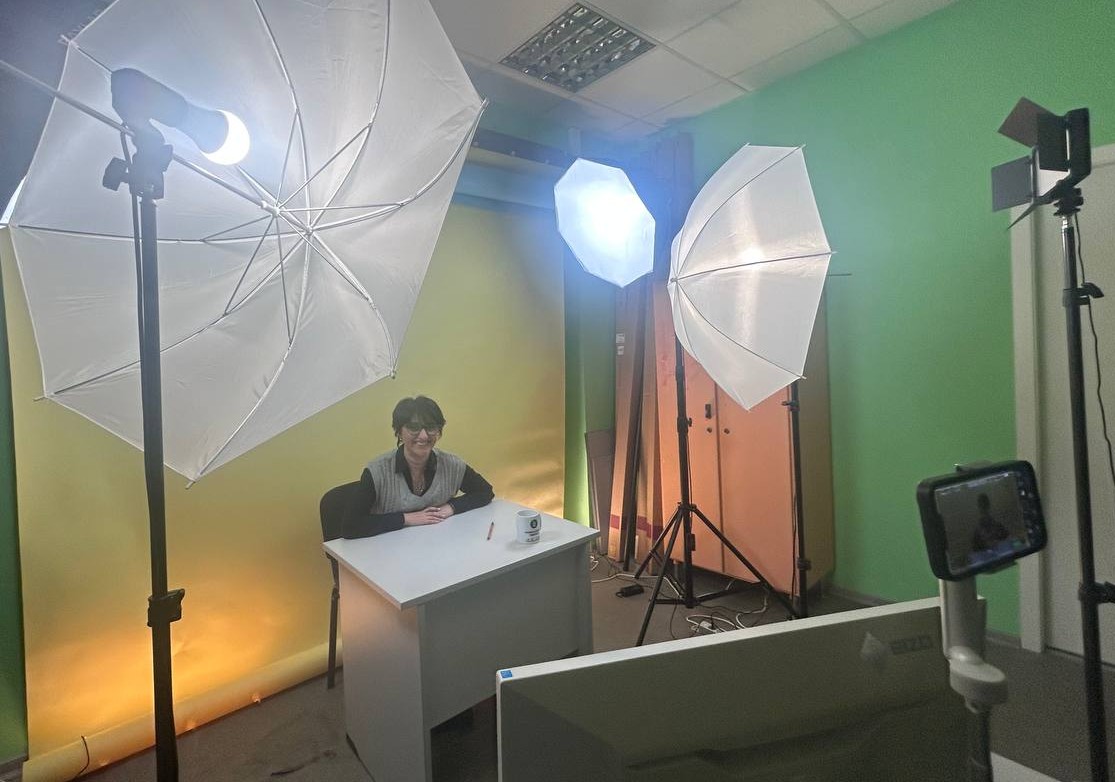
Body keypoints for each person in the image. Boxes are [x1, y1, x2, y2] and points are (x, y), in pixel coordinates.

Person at [341, 395, 494, 538]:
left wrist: (450, 508)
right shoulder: (378, 471)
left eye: (431, 427)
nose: (424, 436)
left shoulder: (452, 465)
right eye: (413, 427)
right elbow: (350, 526)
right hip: (388, 549)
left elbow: (485, 492)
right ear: (399, 432)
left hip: (438, 542)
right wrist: (406, 518)